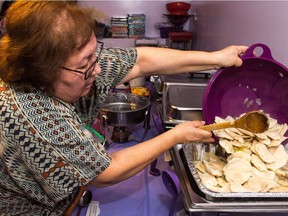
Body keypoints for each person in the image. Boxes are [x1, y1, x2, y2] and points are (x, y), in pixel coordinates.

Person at [0, 1, 247, 215]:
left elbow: (140, 61)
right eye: (86, 63)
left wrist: (216, 58)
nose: (96, 69)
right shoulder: (30, 112)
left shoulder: (71, 62)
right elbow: (106, 170)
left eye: (94, 55)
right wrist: (176, 136)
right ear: (43, 71)